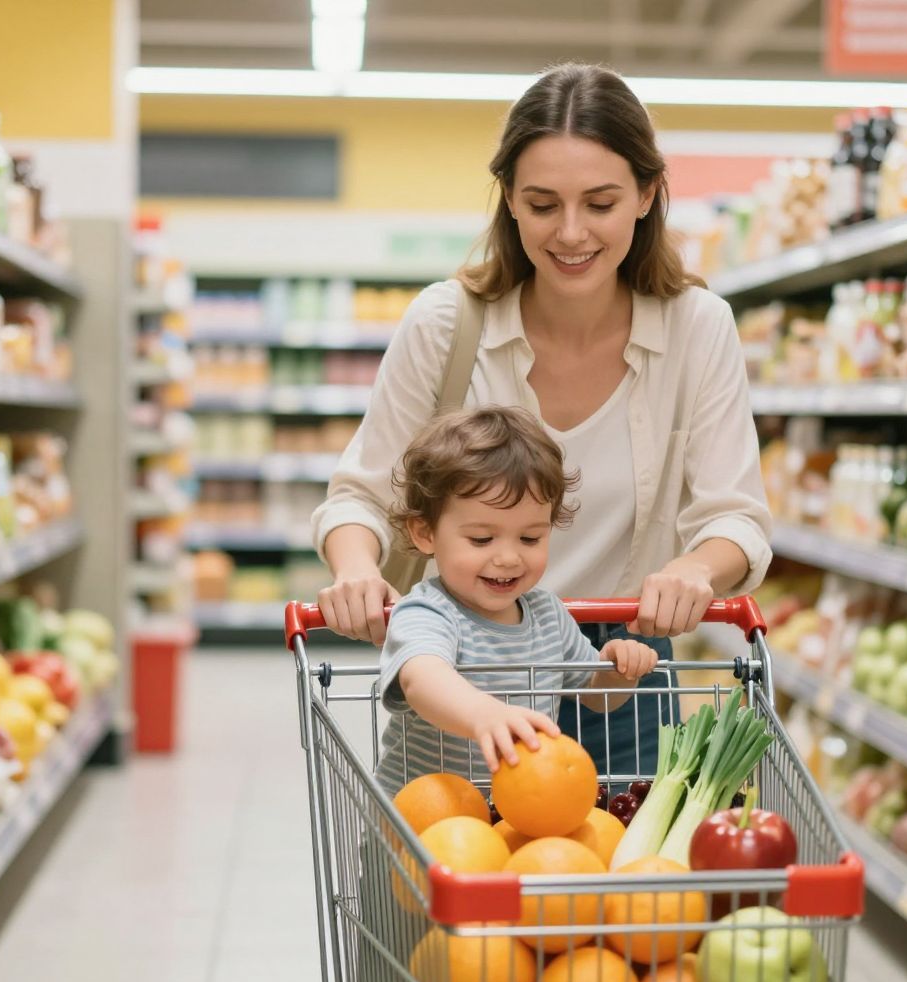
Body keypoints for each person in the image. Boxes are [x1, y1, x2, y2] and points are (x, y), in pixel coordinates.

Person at [313, 62, 772, 778]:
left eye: (600, 202)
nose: (570, 232)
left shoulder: (696, 327)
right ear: (510, 203)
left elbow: (736, 517)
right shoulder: (446, 324)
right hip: (466, 662)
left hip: (621, 667)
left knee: (620, 888)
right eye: (543, 203)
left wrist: (695, 567)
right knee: (461, 870)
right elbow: (362, 495)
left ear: (647, 194)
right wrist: (354, 570)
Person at [374, 406, 658, 796]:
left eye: (529, 539)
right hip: (425, 823)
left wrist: (617, 670)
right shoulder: (428, 611)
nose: (508, 557)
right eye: (481, 539)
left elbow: (595, 694)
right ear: (425, 533)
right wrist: (482, 714)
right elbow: (421, 678)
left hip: (517, 813)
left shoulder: (547, 614)